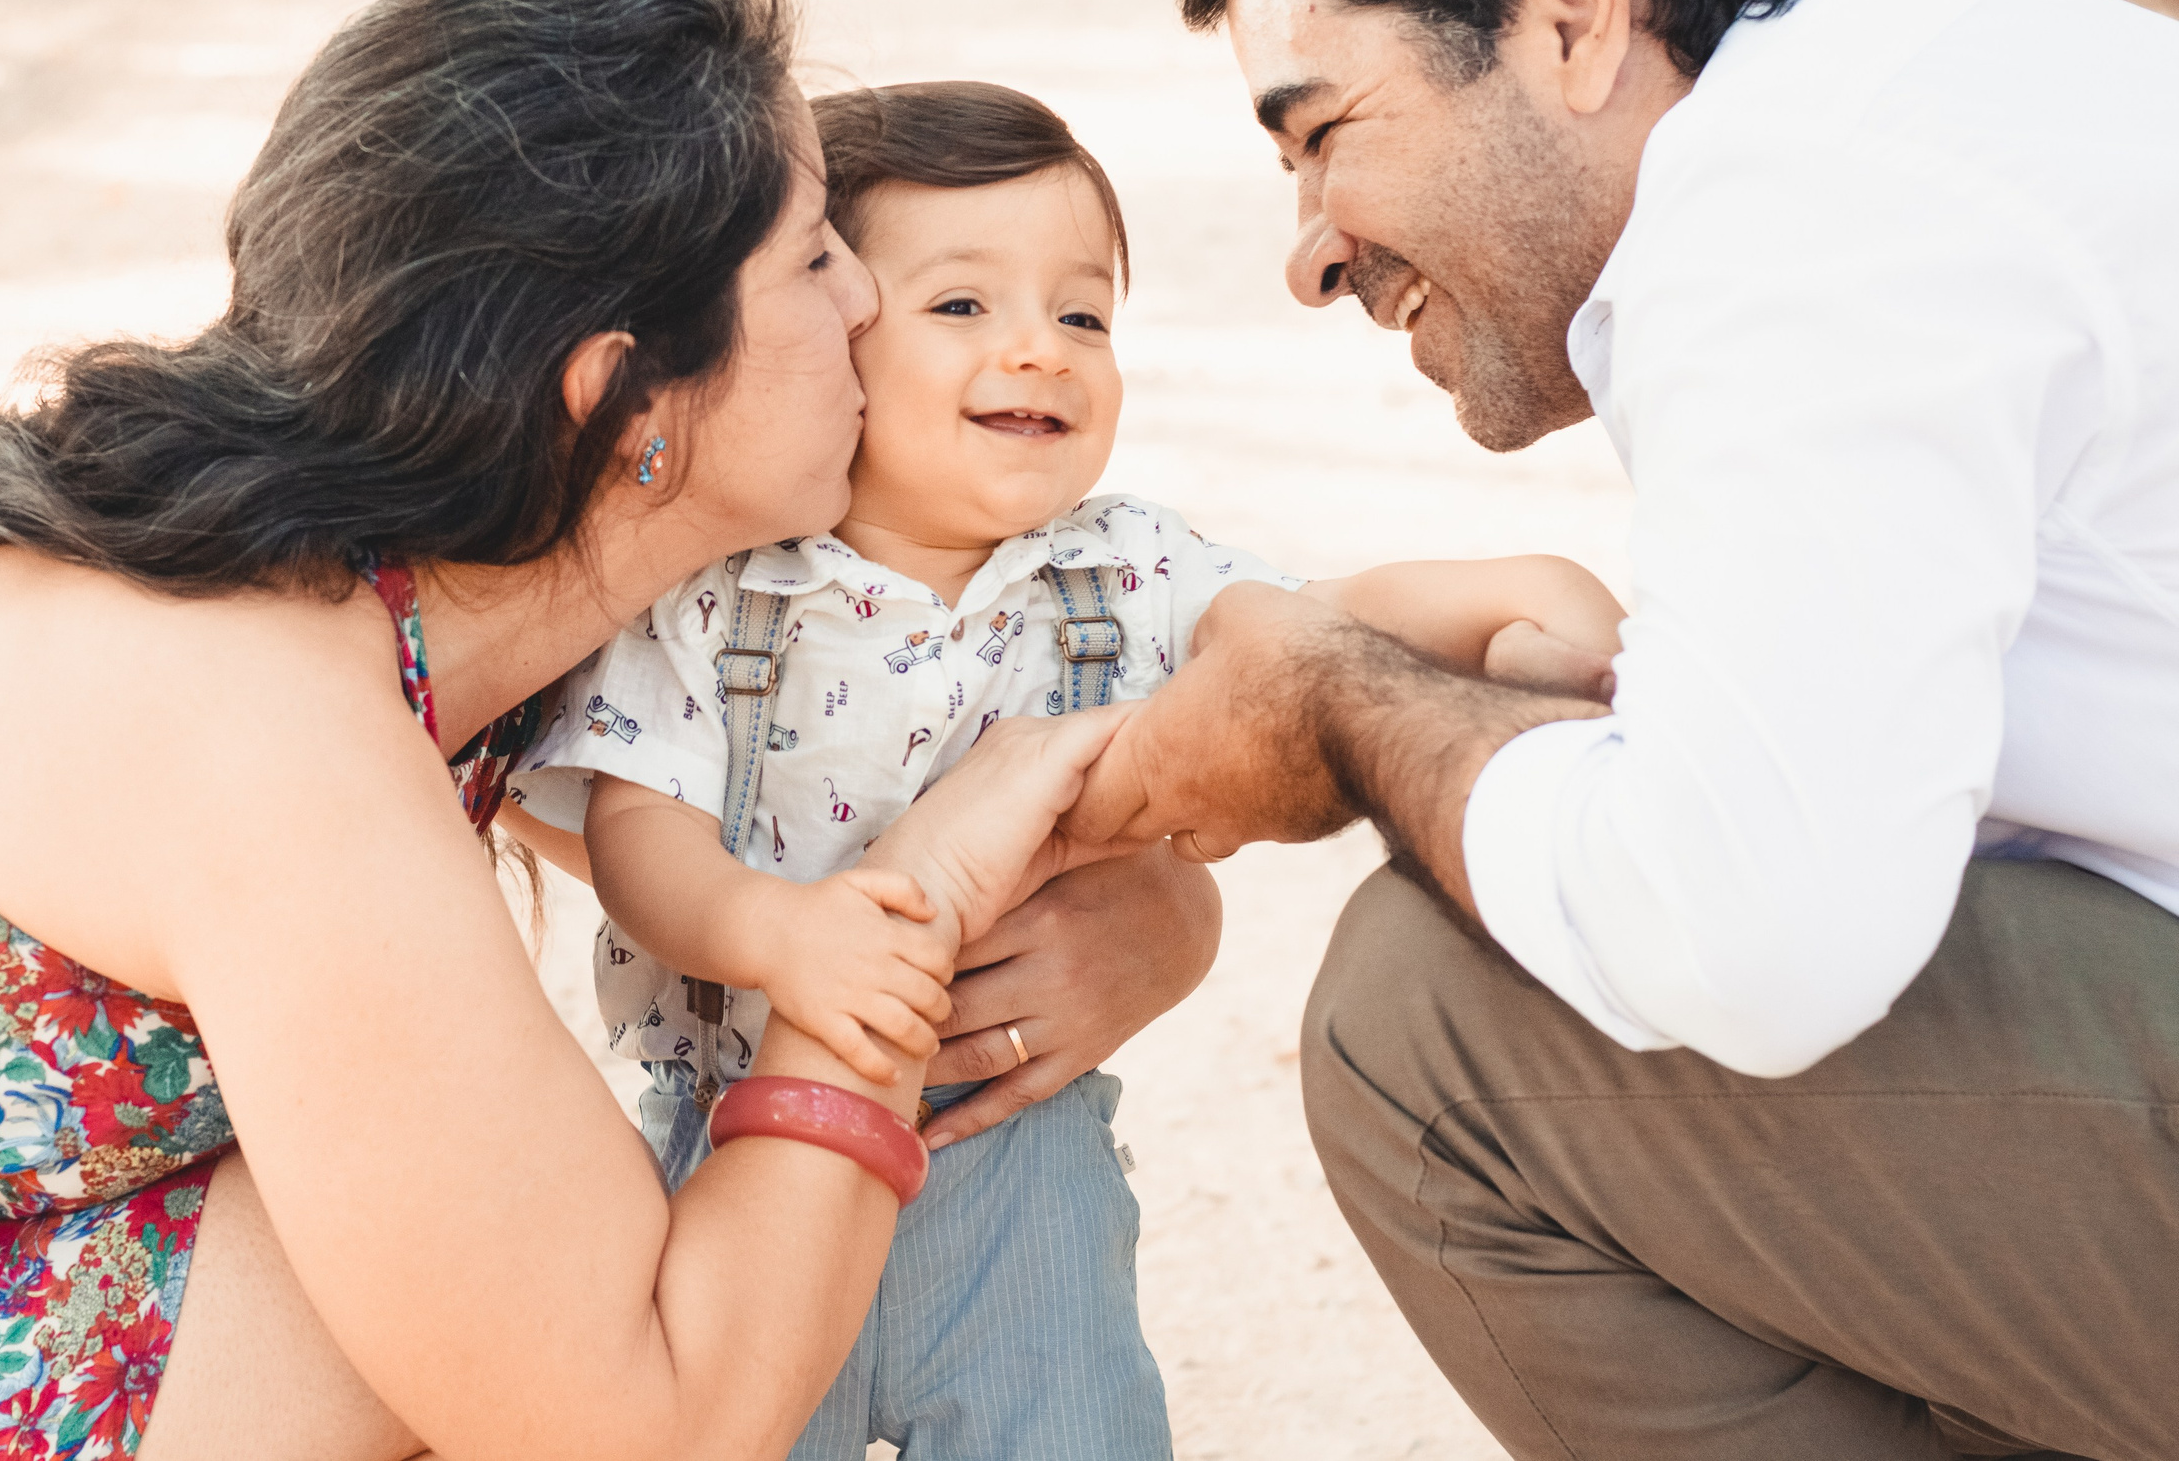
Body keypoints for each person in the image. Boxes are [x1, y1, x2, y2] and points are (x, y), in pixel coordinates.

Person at [0, 0, 1219, 1461]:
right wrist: (914, 909)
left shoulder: (441, 566)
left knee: (477, 1222)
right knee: (491, 1311)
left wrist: (1156, 915)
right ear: (621, 398)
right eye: (815, 259)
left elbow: (753, 805)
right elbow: (658, 1416)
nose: (871, 301)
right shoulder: (250, 709)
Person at [1067, 0, 2179, 1455]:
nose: (1308, 249)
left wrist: (1343, 707)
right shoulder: (1946, 86)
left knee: (1432, 1030)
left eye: (1324, 134)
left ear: (1570, 14)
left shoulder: (1799, 218)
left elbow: (1760, 937)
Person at [509, 80, 1626, 1459]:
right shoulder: (721, 595)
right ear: (836, 339)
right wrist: (778, 933)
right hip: (747, 1143)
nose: (1040, 351)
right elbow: (641, 837)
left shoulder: (1121, 568)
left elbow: (1303, 630)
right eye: (964, 308)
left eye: (1082, 313)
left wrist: (1507, 593)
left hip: (1017, 1165)